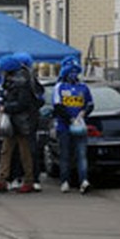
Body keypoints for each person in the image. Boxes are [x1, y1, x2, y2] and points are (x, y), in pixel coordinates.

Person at [0, 55, 39, 194]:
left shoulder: (21, 82)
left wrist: (5, 107)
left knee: (24, 152)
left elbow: (23, 103)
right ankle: (3, 179)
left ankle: (27, 180)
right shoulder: (16, 79)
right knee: (6, 150)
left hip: (21, 121)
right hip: (14, 121)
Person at [52, 57, 93, 194]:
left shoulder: (83, 87)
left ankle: (84, 181)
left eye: (76, 71)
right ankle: (65, 181)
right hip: (64, 127)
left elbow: (90, 104)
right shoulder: (59, 87)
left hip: (80, 127)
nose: (73, 74)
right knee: (65, 155)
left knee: (81, 155)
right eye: (71, 71)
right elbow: (57, 106)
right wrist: (70, 119)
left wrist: (83, 113)